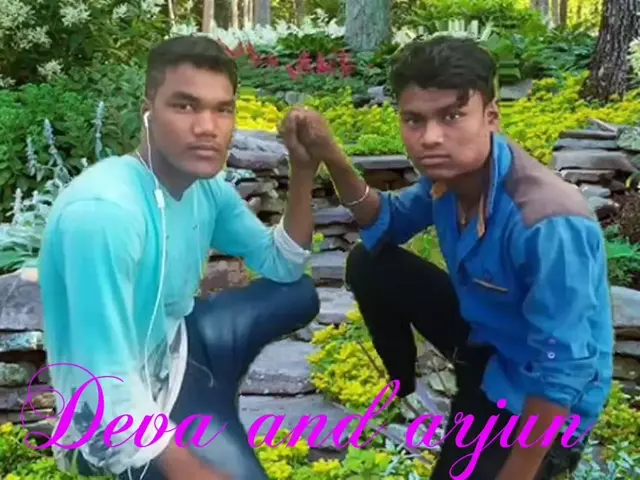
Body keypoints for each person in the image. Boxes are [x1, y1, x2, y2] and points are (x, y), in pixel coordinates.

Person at [286, 36, 614, 479]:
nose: (430, 138)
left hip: (538, 395)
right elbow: (385, 221)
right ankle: (404, 386)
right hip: (487, 343)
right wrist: (330, 156)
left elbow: (564, 368)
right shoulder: (448, 180)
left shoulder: (546, 222)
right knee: (369, 262)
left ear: (491, 116)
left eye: (452, 116)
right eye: (414, 120)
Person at [37, 35, 321, 480]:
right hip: (114, 422)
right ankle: (208, 412)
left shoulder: (205, 189)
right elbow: (105, 384)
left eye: (222, 109)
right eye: (185, 106)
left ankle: (214, 390)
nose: (207, 127)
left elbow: (282, 263)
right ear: (147, 111)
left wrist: (303, 169)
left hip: (179, 348)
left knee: (298, 293)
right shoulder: (103, 213)